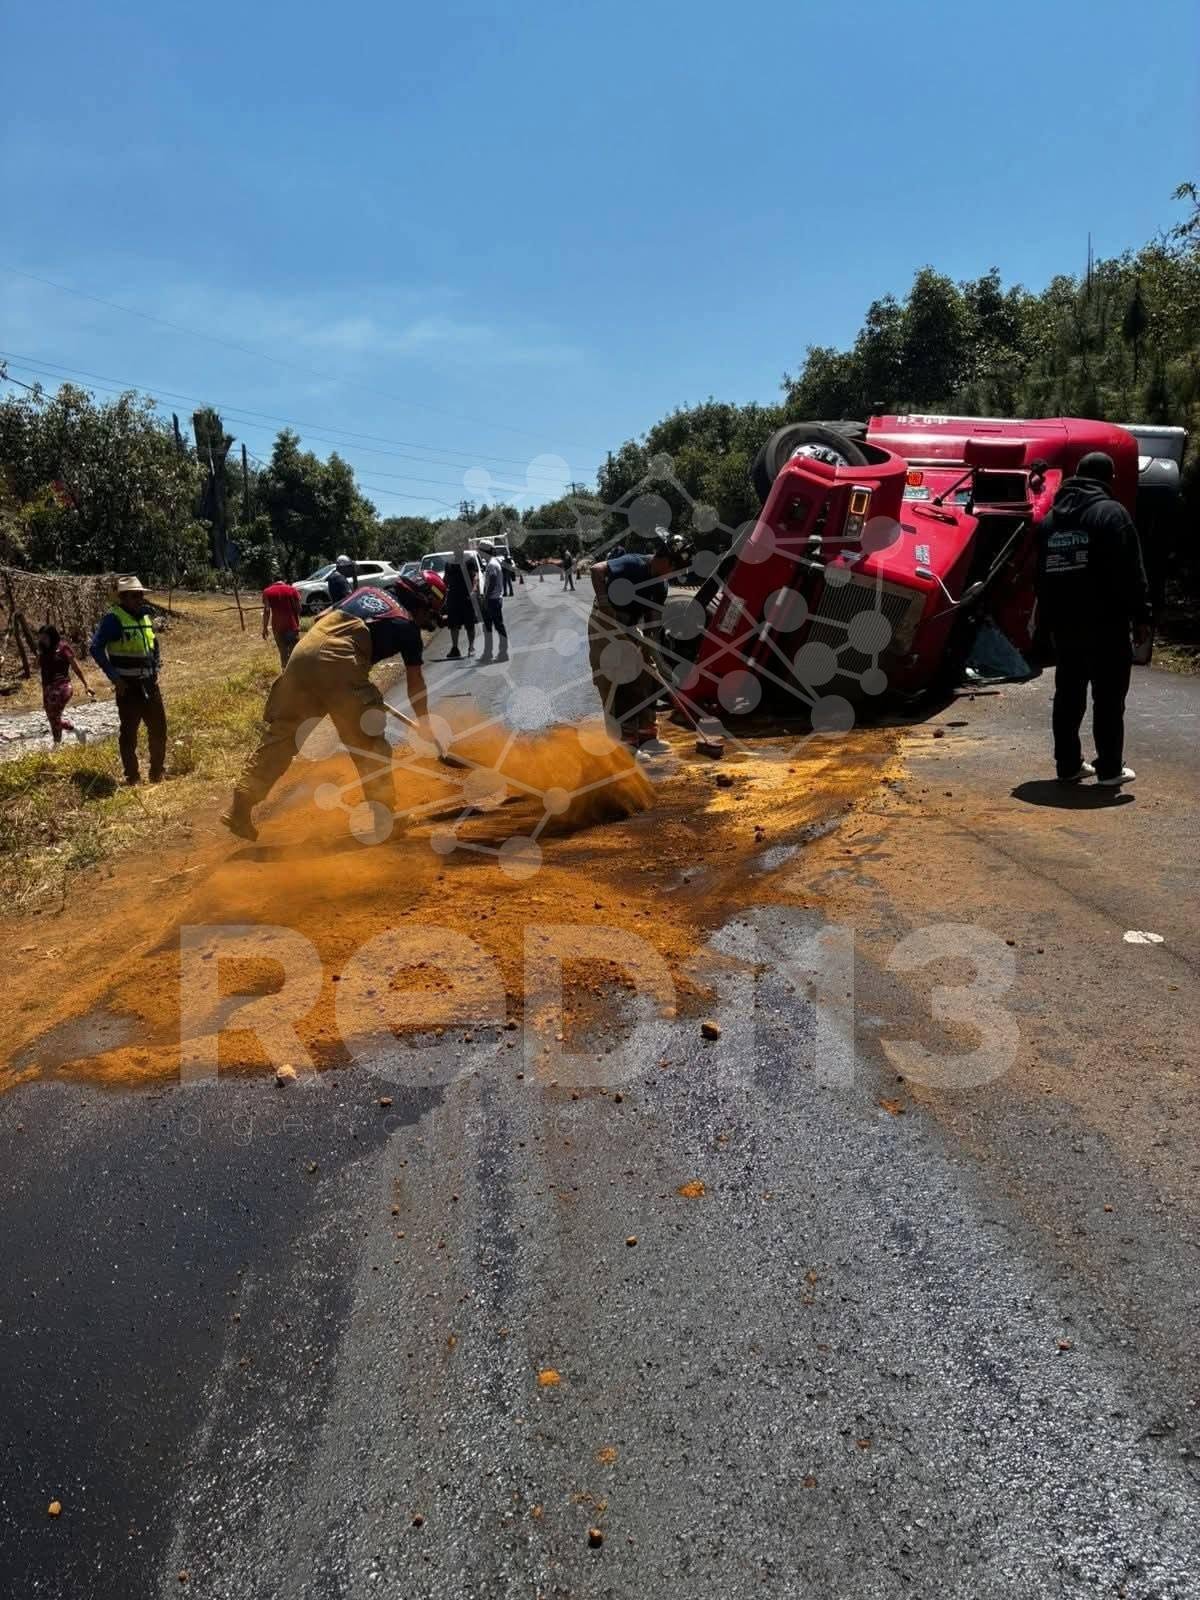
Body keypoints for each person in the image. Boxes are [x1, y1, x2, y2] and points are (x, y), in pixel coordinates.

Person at [221, 573, 447, 842]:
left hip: (303, 655)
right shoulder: (406, 625)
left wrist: (337, 676)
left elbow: (322, 618)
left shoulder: (367, 592)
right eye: (429, 613)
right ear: (422, 603)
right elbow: (415, 682)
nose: (426, 621)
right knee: (369, 744)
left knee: (283, 737)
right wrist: (424, 722)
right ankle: (385, 820)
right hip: (339, 664)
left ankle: (240, 806)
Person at [1037, 451, 1152, 787]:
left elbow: (1040, 577)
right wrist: (1142, 615)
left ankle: (1068, 764)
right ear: (1109, 479)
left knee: (1069, 692)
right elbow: (1132, 571)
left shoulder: (1050, 521)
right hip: (1106, 622)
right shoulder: (1111, 514)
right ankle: (1110, 769)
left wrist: (1046, 622)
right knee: (1109, 695)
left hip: (1064, 624)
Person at [588, 533, 689, 748]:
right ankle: (621, 741)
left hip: (630, 625)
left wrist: (652, 650)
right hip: (606, 621)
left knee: (647, 673)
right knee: (614, 677)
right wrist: (605, 603)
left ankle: (647, 734)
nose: (673, 573)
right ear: (663, 559)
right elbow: (596, 569)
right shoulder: (633, 564)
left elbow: (653, 621)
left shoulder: (661, 585)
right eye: (673, 567)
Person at [90, 576, 167, 784]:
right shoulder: (113, 620)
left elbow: (154, 643)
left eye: (140, 595)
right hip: (128, 687)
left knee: (159, 728)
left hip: (150, 683)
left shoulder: (144, 617)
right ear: (123, 597)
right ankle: (132, 776)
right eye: (134, 595)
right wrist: (115, 678)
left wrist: (156, 663)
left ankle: (157, 772)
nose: (139, 599)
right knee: (129, 732)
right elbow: (95, 648)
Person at [37, 624, 94, 746]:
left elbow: (76, 668)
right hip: (48, 689)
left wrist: (86, 685)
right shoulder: (43, 652)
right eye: (41, 638)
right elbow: (43, 674)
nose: (42, 640)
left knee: (54, 716)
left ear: (52, 636)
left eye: (45, 637)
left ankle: (57, 745)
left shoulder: (63, 648)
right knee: (53, 718)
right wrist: (44, 694)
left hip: (63, 686)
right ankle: (77, 729)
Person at [444, 547, 480, 659]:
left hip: (467, 597)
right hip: (453, 597)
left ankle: (471, 647)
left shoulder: (469, 561)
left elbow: (475, 576)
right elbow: (445, 579)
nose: (457, 550)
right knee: (453, 624)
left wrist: (474, 589)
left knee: (470, 624)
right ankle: (455, 648)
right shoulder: (449, 563)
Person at [476, 540, 509, 663]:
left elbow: (493, 580)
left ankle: (501, 652)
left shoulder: (492, 564)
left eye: (480, 551)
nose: (479, 553)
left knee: (496, 626)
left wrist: (486, 597)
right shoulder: (492, 563)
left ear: (484, 551)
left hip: (492, 600)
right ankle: (489, 652)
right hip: (493, 599)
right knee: (490, 627)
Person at [261, 572, 302, 669]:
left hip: (278, 628)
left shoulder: (267, 592)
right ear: (284, 580)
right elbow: (299, 609)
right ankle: (296, 673)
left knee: (283, 653)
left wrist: (265, 628)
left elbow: (267, 611)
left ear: (273, 581)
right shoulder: (292, 590)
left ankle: (285, 674)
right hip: (292, 626)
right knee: (295, 653)